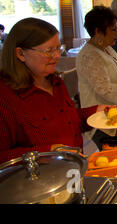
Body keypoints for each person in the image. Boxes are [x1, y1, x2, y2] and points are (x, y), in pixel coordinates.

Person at [0, 18, 106, 163]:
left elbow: (68, 122)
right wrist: (48, 152)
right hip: (39, 181)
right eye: (49, 51)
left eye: (58, 48)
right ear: (20, 54)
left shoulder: (55, 82)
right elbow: (3, 156)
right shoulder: (6, 97)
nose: (57, 56)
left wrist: (97, 111)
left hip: (73, 171)